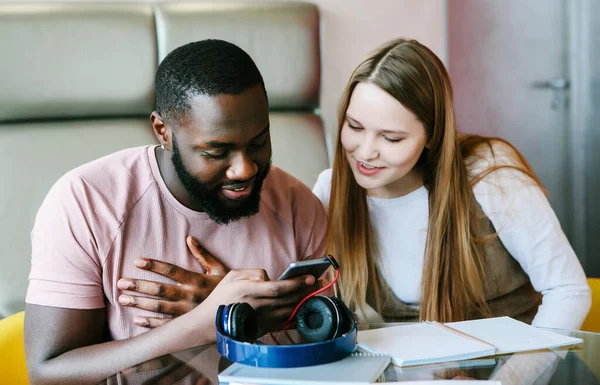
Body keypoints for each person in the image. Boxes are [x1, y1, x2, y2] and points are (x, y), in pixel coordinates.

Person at [24, 39, 327, 385]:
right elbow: (47, 373)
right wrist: (204, 324)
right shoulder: (86, 202)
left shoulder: (298, 206)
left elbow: (326, 356)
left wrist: (247, 320)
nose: (244, 169)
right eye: (217, 152)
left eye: (258, 142)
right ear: (163, 132)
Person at [312, 38, 591, 329]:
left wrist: (510, 375)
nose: (366, 152)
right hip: (416, 371)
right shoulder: (331, 191)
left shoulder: (489, 173)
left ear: (432, 136)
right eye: (354, 127)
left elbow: (568, 291)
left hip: (508, 364)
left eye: (391, 138)